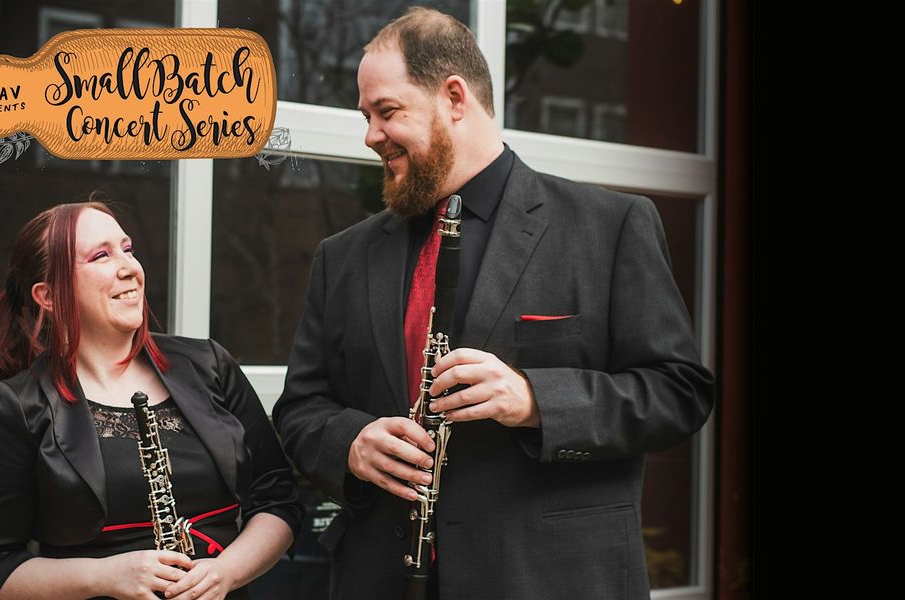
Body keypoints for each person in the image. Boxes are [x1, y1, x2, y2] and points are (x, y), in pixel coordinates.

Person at [272, 7, 714, 600]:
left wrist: (534, 400)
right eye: (365, 116)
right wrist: (349, 444)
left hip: (548, 580)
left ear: (454, 98)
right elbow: (300, 409)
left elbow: (679, 393)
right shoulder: (342, 256)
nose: (371, 135)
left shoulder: (609, 226)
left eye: (387, 111)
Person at [0, 201, 302, 600]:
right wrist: (103, 576)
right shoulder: (20, 405)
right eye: (101, 256)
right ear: (47, 295)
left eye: (128, 249)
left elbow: (278, 499)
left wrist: (226, 573)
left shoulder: (210, 366)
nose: (129, 267)